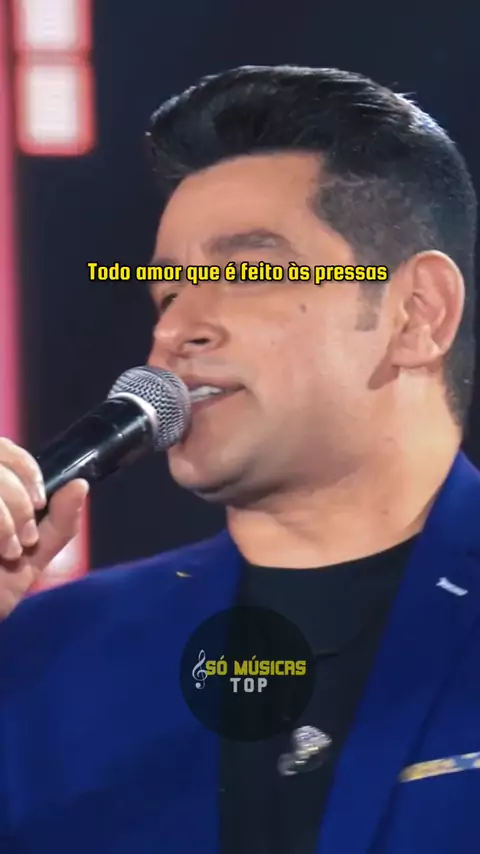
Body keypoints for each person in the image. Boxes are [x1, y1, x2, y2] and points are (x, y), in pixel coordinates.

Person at [0, 64, 478, 854]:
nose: (174, 331)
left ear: (416, 314)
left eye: (245, 273)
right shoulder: (46, 655)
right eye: (168, 294)